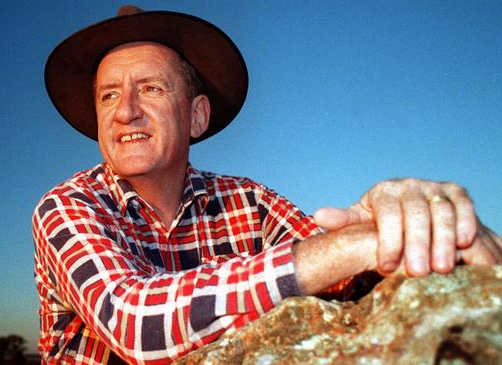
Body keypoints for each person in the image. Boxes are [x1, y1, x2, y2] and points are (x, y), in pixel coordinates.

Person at [33, 6, 501, 365]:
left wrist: (426, 230)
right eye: (109, 95)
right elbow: (134, 322)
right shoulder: (66, 207)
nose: (125, 110)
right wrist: (359, 243)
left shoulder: (248, 200)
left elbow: (345, 277)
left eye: (151, 88)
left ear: (197, 115)